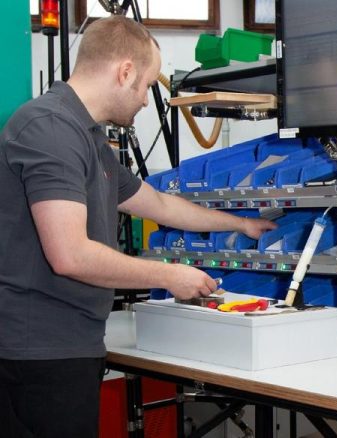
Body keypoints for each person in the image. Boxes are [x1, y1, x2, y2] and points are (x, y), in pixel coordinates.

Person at [0, 16, 277, 438]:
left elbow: (159, 204)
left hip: (69, 345)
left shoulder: (86, 136)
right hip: (38, 356)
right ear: (125, 71)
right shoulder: (51, 129)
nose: (147, 101)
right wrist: (170, 275)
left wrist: (242, 224)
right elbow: (70, 254)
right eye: (147, 85)